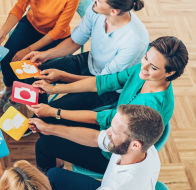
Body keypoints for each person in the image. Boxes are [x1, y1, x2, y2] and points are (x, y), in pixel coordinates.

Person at [29, 36, 188, 173]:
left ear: (170, 73)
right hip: (113, 128)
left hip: (114, 152)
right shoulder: (145, 72)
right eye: (146, 57)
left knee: (44, 145)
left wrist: (54, 112)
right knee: (50, 124)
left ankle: (49, 187)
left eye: (153, 67)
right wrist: (58, 84)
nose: (144, 66)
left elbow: (101, 119)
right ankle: (56, 166)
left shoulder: (149, 107)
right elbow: (104, 82)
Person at [22, 0, 149, 111]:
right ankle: (39, 111)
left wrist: (61, 80)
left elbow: (101, 82)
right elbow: (75, 40)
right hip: (90, 62)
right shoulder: (95, 10)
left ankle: (41, 118)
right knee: (32, 77)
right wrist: (46, 55)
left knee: (53, 111)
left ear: (114, 11)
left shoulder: (134, 42)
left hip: (107, 87)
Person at [43, 104, 164, 190]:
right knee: (54, 175)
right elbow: (97, 138)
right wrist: (49, 129)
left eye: (115, 131)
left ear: (135, 145)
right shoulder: (147, 149)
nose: (107, 131)